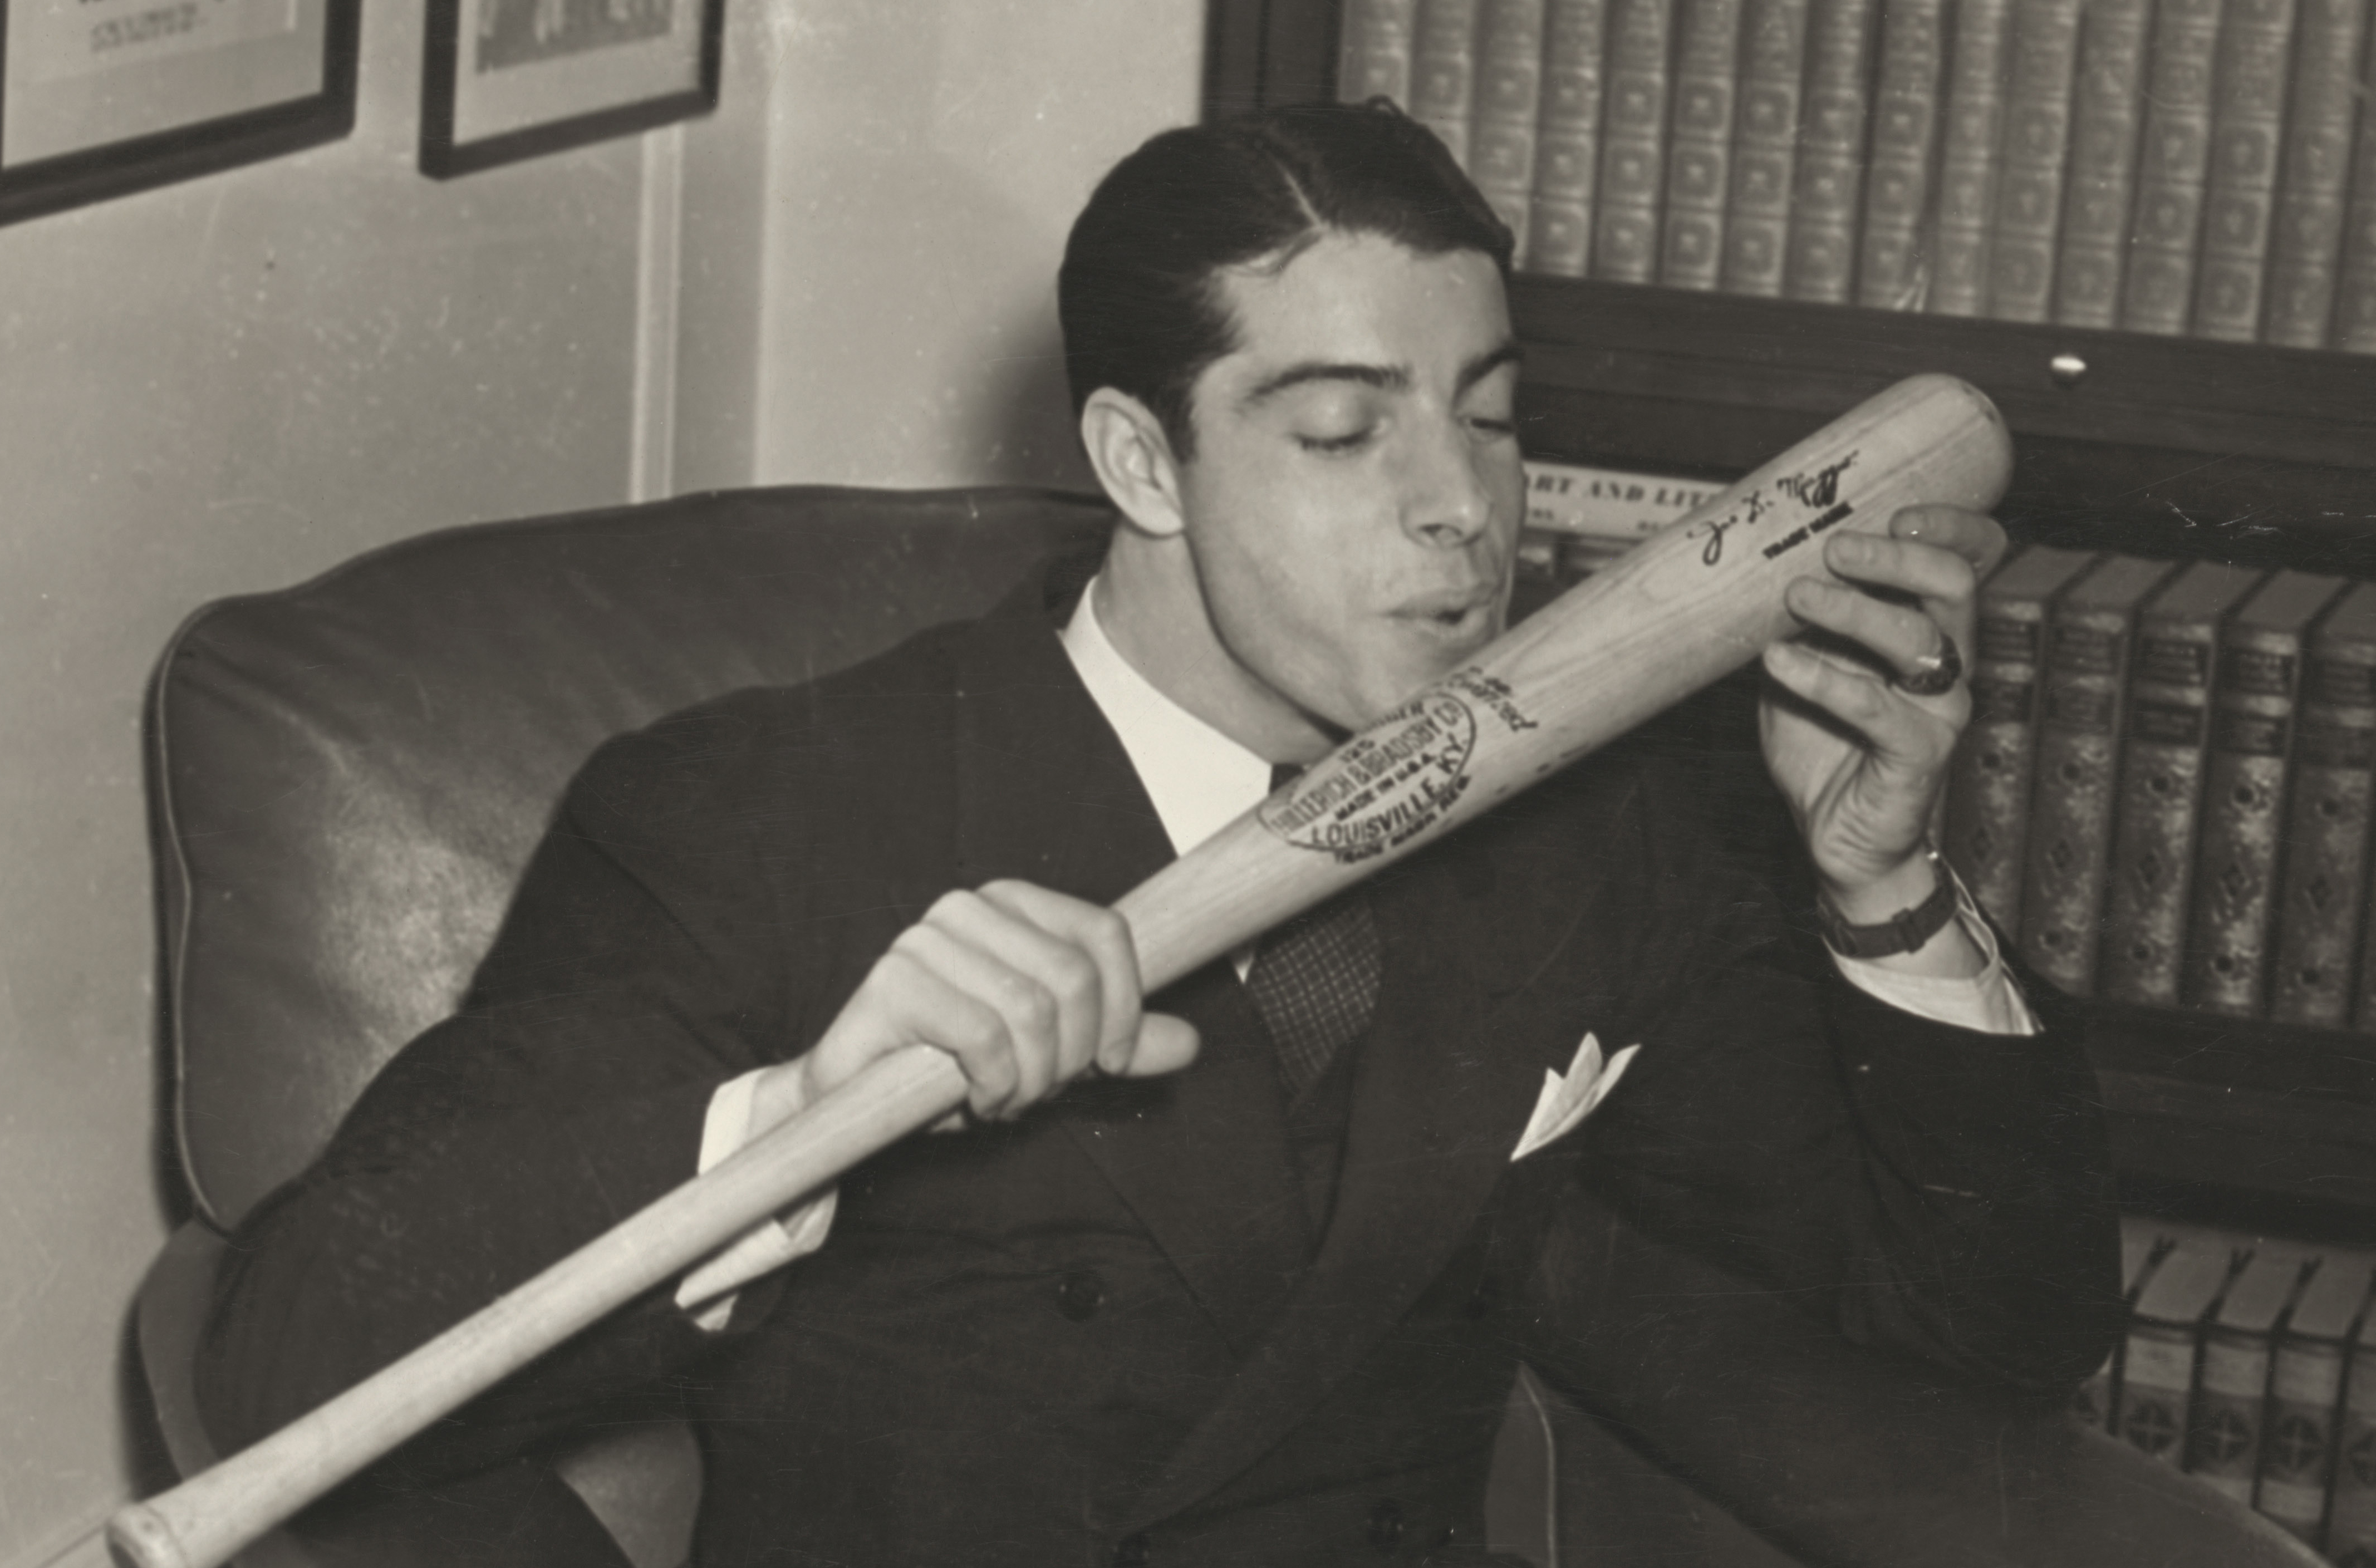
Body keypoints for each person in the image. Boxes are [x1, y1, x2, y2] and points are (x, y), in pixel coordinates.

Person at [198, 102, 2119, 1567]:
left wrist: (1878, 891)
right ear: (1141, 462)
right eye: (1341, 430)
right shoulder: (768, 808)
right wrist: (785, 1121)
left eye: (1489, 414)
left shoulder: (1585, 830)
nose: (1461, 509)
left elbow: (1980, 1344)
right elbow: (288, 1358)